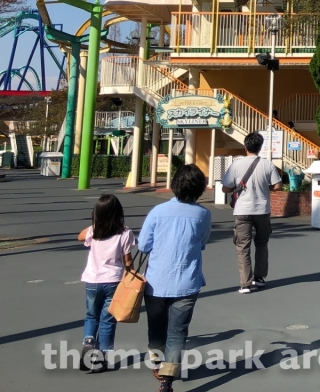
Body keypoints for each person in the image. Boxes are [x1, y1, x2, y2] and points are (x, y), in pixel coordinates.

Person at [138, 164, 212, 391]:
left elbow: (143, 244)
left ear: (174, 185)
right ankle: (167, 379)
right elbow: (202, 243)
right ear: (200, 189)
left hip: (156, 281)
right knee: (178, 331)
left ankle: (157, 362)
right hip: (187, 281)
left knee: (156, 327)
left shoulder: (157, 212)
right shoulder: (203, 214)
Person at [78, 195, 135, 372]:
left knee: (91, 315)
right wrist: (130, 273)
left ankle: (88, 341)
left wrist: (95, 224)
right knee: (108, 319)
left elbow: (80, 237)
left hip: (92, 280)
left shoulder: (93, 231)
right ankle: (102, 355)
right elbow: (127, 259)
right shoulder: (125, 233)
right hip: (113, 281)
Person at [220, 131, 281, 294]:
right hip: (262, 210)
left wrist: (236, 188)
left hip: (242, 210)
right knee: (262, 244)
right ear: (260, 147)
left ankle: (245, 283)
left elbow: (225, 188)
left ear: (245, 146)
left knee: (242, 246)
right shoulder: (267, 164)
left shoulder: (236, 164)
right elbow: (277, 186)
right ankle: (259, 277)